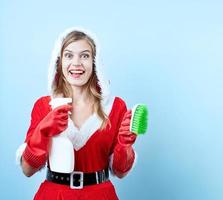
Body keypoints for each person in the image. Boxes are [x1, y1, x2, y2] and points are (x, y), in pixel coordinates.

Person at [15, 27, 137, 200]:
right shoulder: (44, 106)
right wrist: (42, 133)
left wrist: (125, 147)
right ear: (59, 62)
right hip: (54, 195)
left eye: (85, 56)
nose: (76, 63)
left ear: (95, 63)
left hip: (100, 195)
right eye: (69, 55)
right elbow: (27, 170)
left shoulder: (115, 107)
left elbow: (120, 172)